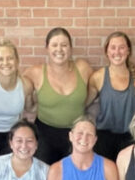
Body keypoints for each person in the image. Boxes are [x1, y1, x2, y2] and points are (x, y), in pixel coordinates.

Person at [24, 28, 92, 164]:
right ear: (47, 48)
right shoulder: (36, 72)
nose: (59, 49)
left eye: (64, 45)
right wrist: (31, 105)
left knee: (74, 173)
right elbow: (14, 86)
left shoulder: (83, 68)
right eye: (54, 45)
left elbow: (98, 87)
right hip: (44, 134)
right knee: (45, 174)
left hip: (76, 133)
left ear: (70, 48)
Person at [87, 31, 135, 161]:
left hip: (132, 137)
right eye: (113, 48)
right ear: (107, 51)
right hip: (104, 138)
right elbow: (85, 104)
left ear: (128, 51)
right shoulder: (98, 77)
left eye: (122, 47)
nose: (117, 52)